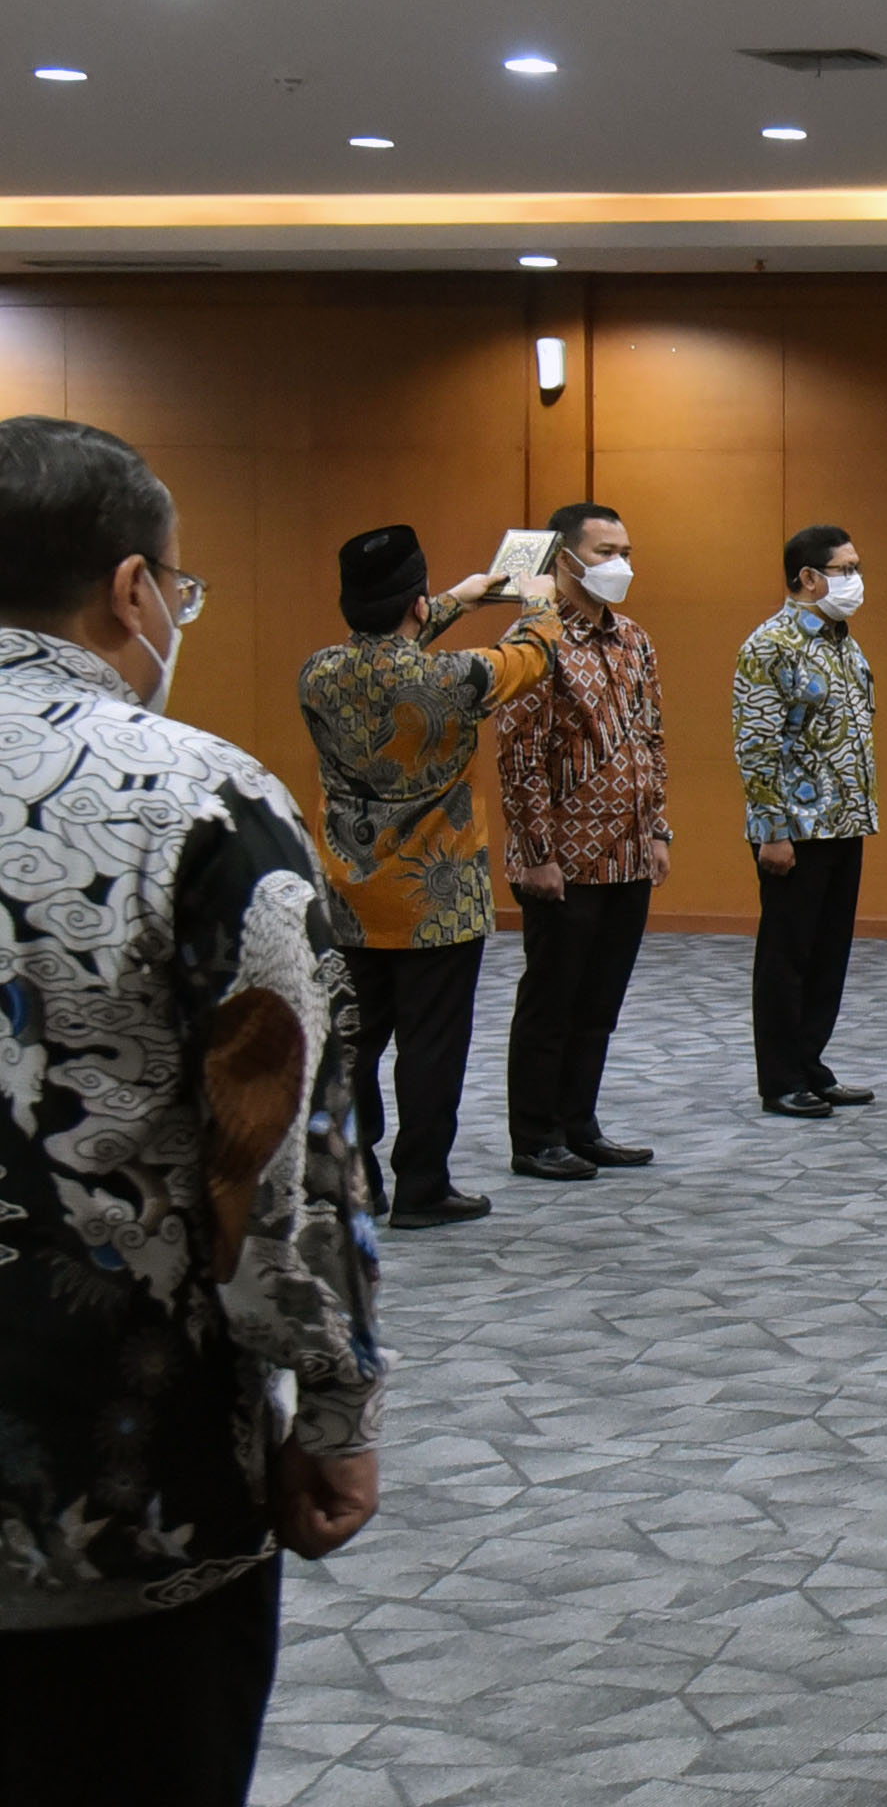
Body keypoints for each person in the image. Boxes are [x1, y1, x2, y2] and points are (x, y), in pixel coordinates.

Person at [0, 416, 385, 1804]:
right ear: (132, 588)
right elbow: (279, 1153)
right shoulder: (199, 798)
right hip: (117, 1484)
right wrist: (334, 1403)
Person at [299, 525, 559, 1228]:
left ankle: (354, 1177)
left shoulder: (317, 672)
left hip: (349, 893)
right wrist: (538, 600)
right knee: (431, 1047)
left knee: (353, 1043)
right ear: (415, 605)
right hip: (435, 900)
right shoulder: (452, 679)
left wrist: (453, 600)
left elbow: (389, 648)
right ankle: (422, 1185)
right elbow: (531, 655)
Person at [493, 502, 671, 1181]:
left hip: (628, 853)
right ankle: (536, 1136)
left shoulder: (634, 639)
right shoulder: (533, 639)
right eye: (604, 552)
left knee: (599, 1004)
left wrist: (657, 829)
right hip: (562, 860)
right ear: (564, 559)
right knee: (552, 1003)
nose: (619, 564)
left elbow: (652, 738)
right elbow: (519, 755)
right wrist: (537, 852)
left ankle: (579, 1123)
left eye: (626, 551)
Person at [736, 524, 879, 1119]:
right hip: (795, 827)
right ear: (809, 578)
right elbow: (756, 745)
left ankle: (810, 1063)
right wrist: (772, 829)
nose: (856, 579)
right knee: (787, 956)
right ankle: (780, 1078)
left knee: (827, 955)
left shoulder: (843, 642)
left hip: (845, 821)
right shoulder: (770, 644)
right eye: (846, 569)